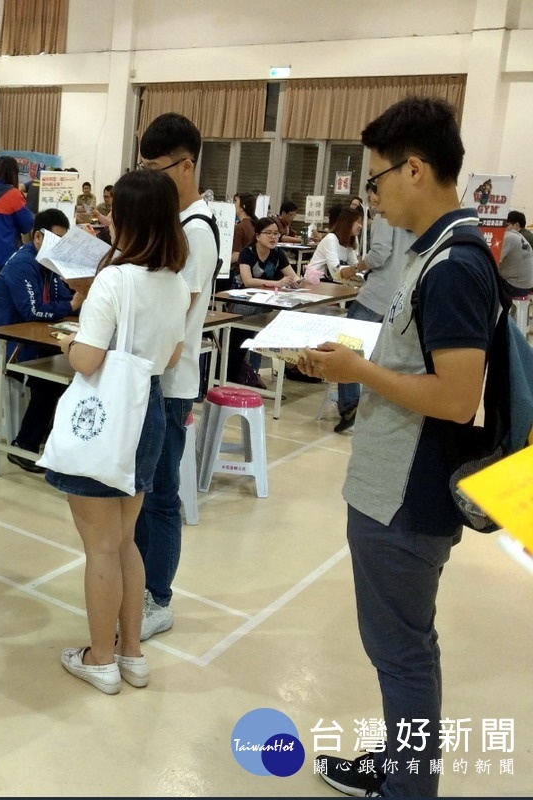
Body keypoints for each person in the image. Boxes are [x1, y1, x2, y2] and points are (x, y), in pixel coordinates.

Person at [298, 97, 502, 799]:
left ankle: (410, 787)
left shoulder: (453, 266)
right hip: (397, 483)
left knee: (402, 654)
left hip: (407, 496)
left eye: (377, 180)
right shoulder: (437, 255)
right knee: (403, 647)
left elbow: (454, 395)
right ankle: (399, 764)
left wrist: (358, 373)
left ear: (415, 168)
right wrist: (347, 360)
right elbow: (418, 363)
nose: (373, 198)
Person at [50, 168, 190, 695]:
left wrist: (67, 343)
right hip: (149, 407)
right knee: (127, 540)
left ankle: (100, 657)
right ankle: (132, 653)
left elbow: (87, 360)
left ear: (128, 219)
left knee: (100, 547)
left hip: (108, 414)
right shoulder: (175, 283)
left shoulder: (114, 279)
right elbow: (171, 354)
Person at [132, 113, 220, 642]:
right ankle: (139, 583)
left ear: (186, 166)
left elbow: (175, 314)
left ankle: (158, 597)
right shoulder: (172, 224)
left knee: (162, 495)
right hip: (151, 379)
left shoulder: (196, 231)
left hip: (170, 384)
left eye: (155, 168)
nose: (149, 178)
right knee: (141, 493)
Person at [0, 208, 80, 473]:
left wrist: (76, 300)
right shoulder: (24, 264)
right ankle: (24, 447)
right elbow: (32, 310)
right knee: (50, 380)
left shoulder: (48, 266)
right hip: (5, 345)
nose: (58, 248)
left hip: (31, 341)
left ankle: (46, 441)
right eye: (55, 241)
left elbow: (61, 301)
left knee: (69, 374)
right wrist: (71, 303)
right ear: (37, 238)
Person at [331, 199, 416, 435]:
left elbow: (379, 256)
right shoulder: (414, 215)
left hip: (375, 296)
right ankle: (376, 410)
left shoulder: (385, 216)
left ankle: (350, 407)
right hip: (400, 295)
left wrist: (354, 268)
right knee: (383, 355)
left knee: (346, 348)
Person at [224, 217, 301, 386]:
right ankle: (238, 372)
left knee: (286, 319)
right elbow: (247, 281)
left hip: (265, 302)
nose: (273, 237)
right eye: (268, 233)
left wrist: (297, 281)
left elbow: (293, 276)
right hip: (243, 301)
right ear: (258, 236)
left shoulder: (278, 253)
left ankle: (256, 371)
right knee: (246, 331)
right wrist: (277, 283)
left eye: (276, 233)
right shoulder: (247, 252)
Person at [308, 206, 362, 282]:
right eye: (358, 222)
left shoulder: (348, 242)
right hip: (316, 281)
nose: (361, 226)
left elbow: (354, 264)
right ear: (348, 222)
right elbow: (335, 270)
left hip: (330, 282)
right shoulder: (331, 239)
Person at [498, 219, 533, 298]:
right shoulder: (518, 235)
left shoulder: (506, 237)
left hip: (516, 286)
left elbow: (493, 262)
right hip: (528, 284)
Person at [229, 192, 257, 267]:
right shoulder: (255, 224)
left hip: (239, 270)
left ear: (242, 207)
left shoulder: (240, 228)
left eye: (235, 202)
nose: (233, 205)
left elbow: (236, 255)